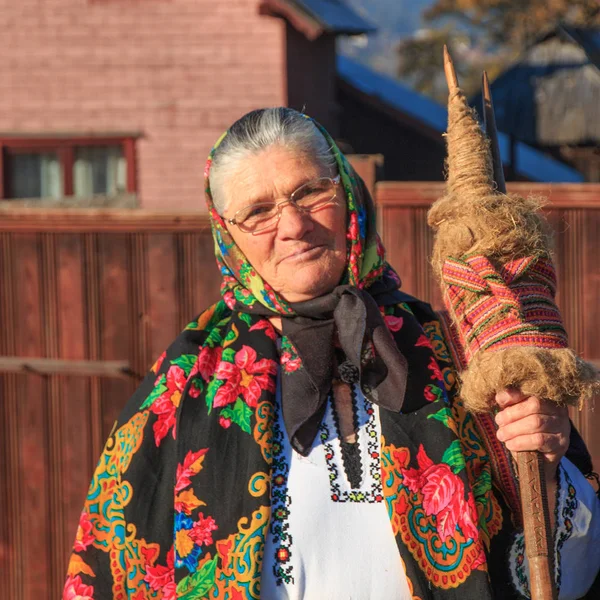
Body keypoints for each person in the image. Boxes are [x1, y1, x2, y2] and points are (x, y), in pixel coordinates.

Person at [63, 108, 600, 600]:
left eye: (311, 192)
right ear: (227, 236)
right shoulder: (182, 391)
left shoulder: (459, 356)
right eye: (258, 212)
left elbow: (568, 578)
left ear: (347, 193)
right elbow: (110, 572)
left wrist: (547, 467)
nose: (293, 226)